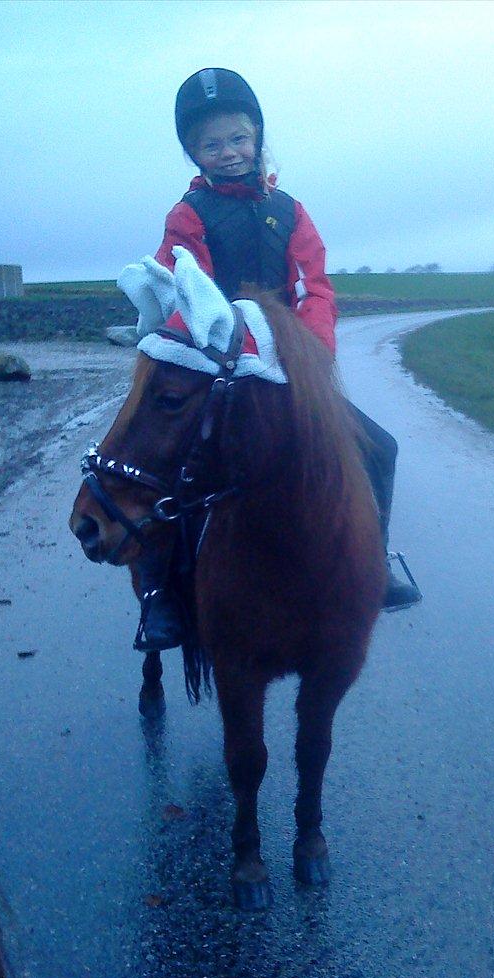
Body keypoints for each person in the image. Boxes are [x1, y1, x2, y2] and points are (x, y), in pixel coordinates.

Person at [135, 67, 421, 651]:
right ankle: (160, 597)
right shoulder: (187, 217)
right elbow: (190, 291)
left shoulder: (290, 213)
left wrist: (310, 355)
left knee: (379, 449)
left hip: (290, 370)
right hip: (221, 372)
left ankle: (376, 563)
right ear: (194, 152)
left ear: (258, 138)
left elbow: (313, 287)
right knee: (169, 472)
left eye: (239, 138)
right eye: (212, 144)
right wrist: (230, 354)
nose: (230, 153)